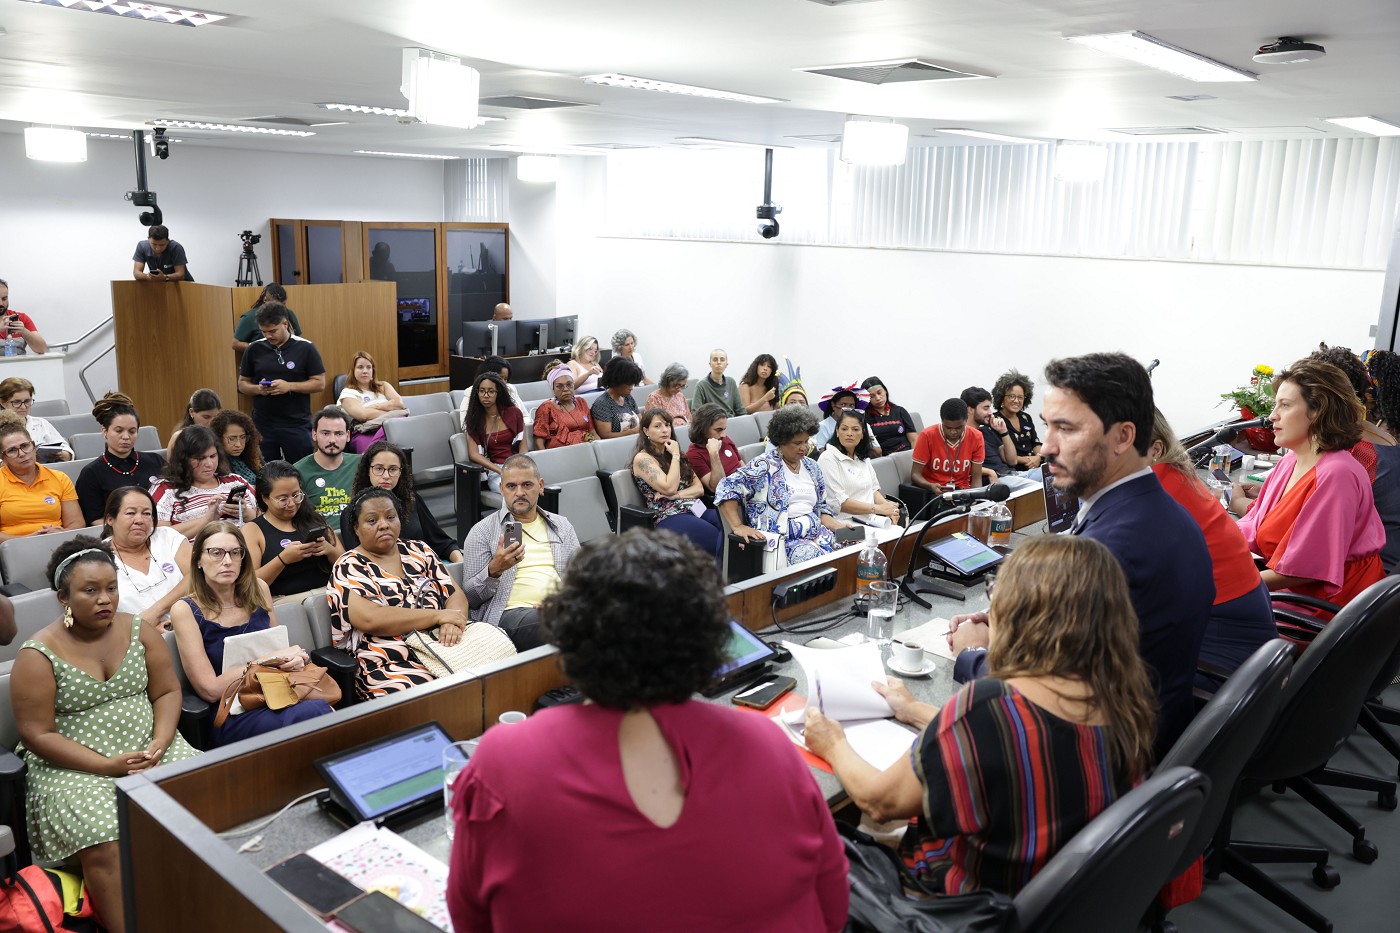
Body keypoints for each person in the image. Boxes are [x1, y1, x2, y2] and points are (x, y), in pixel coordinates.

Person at [447, 530, 848, 933]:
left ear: (569, 635)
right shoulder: (768, 744)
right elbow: (832, 907)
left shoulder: (504, 761)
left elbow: (470, 921)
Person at [805, 535, 1154, 897]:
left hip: (964, 903)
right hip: (1057, 900)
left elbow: (879, 801)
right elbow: (1006, 739)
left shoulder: (989, 705)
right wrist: (912, 709)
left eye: (995, 594)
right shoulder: (1123, 700)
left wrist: (833, 743)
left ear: (1020, 614)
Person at [949, 353, 1213, 758]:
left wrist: (970, 654)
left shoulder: (1109, 550)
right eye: (1047, 426)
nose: (1047, 447)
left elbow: (1044, 695)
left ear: (1123, 437)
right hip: (1159, 732)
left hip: (1110, 756)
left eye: (1066, 429)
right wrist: (1017, 622)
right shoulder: (1161, 511)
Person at [11, 538, 198, 933]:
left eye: (111, 588)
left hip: (152, 747)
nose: (105, 599)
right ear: (63, 597)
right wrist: (106, 766)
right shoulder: (38, 654)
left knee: (207, 795)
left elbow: (167, 692)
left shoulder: (139, 630)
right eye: (90, 590)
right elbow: (37, 734)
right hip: (74, 767)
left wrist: (161, 742)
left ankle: (204, 906)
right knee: (105, 837)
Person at [1233, 358, 1385, 617]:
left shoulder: (1338, 474)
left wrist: (1230, 584)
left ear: (1318, 411)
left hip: (1324, 610)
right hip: (1290, 594)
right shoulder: (1290, 461)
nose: (1272, 416)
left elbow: (1306, 569)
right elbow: (1253, 526)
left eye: (1285, 405)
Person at [170, 522, 333, 746]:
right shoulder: (185, 609)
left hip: (275, 692)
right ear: (198, 559)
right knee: (316, 712)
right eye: (216, 553)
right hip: (231, 708)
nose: (227, 561)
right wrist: (264, 661)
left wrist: (292, 659)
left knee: (323, 709)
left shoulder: (259, 589)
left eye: (235, 553)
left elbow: (279, 650)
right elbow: (209, 690)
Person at [1147, 411, 1275, 682]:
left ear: (1154, 449)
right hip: (1250, 648)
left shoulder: (1154, 495)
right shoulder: (1175, 474)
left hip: (1220, 657)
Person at [329, 488, 472, 700]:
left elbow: (454, 595)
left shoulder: (420, 550)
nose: (383, 525)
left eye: (390, 517)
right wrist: (438, 616)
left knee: (490, 672)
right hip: (390, 660)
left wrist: (453, 622)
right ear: (356, 528)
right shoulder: (348, 566)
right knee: (432, 696)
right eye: (372, 520)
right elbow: (371, 618)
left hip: (442, 646)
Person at [462, 454, 580, 651]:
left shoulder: (561, 525)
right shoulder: (483, 531)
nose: (519, 492)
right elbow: (470, 598)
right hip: (509, 614)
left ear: (540, 486)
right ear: (501, 489)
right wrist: (494, 570)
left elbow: (581, 578)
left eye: (527, 485)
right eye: (511, 486)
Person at [717, 406, 854, 564]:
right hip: (784, 542)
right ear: (781, 441)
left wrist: (837, 526)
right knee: (821, 561)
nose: (804, 447)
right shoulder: (764, 466)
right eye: (797, 443)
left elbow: (821, 509)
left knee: (856, 550)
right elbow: (726, 487)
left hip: (817, 533)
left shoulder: (812, 467)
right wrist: (738, 526)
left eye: (806, 441)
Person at [340, 441, 462, 563]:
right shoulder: (351, 513)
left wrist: (460, 563)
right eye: (379, 469)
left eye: (393, 469)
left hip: (421, 568)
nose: (386, 475)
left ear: (400, 472)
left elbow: (442, 544)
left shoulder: (412, 500)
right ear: (368, 470)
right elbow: (357, 560)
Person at [237, 301, 326, 463]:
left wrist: (289, 386)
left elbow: (319, 383)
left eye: (273, 331)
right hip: (263, 424)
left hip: (296, 424)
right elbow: (242, 383)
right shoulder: (253, 349)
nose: (268, 336)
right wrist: (258, 389)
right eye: (264, 332)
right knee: (265, 471)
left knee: (300, 469)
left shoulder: (306, 348)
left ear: (285, 324)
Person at [243, 460, 343, 604]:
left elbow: (347, 563)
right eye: (282, 499)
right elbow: (250, 583)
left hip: (329, 592)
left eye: (296, 495)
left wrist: (329, 550)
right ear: (265, 498)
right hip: (286, 602)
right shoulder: (253, 530)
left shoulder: (314, 519)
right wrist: (283, 559)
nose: (291, 503)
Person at [631, 409, 722, 561]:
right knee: (714, 538)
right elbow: (669, 487)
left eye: (667, 425)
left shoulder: (677, 455)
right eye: (658, 426)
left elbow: (699, 489)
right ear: (646, 431)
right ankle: (721, 573)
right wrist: (675, 455)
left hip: (694, 507)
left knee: (730, 526)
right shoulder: (642, 459)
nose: (665, 430)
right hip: (669, 515)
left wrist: (677, 495)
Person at [101, 487, 191, 624]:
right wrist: (143, 628)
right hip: (132, 633)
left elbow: (196, 576)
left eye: (146, 513)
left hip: (192, 621)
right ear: (110, 519)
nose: (139, 520)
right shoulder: (98, 558)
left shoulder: (167, 537)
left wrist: (154, 613)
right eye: (130, 513)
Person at [76, 392, 167, 524]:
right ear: (105, 431)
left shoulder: (155, 461)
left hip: (164, 526)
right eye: (119, 431)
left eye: (132, 431)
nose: (126, 437)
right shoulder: (91, 473)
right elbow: (95, 520)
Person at [149, 425, 257, 537]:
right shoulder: (165, 489)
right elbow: (159, 536)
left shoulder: (236, 481)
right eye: (201, 458)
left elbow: (266, 518)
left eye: (213, 456)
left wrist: (247, 513)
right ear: (183, 459)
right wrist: (207, 520)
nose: (209, 464)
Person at [0, 412, 82, 541]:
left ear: (34, 446)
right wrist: (26, 540)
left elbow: (76, 523)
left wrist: (62, 533)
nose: (22, 454)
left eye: (25, 446)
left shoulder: (60, 478)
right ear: (3, 457)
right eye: (12, 450)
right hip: (13, 548)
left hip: (59, 542)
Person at [817, 410, 901, 526]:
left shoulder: (863, 457)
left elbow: (873, 490)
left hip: (871, 519)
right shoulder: (827, 458)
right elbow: (839, 503)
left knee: (902, 533)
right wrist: (878, 509)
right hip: (844, 523)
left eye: (855, 429)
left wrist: (889, 509)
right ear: (837, 431)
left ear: (862, 433)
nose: (849, 433)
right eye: (844, 429)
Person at [294, 406, 360, 519]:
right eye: (325, 433)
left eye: (339, 434)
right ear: (314, 434)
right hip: (319, 530)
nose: (332, 440)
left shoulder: (361, 464)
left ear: (348, 436)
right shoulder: (297, 471)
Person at [464, 373, 525, 493]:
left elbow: (523, 448)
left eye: (491, 391)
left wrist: (518, 467)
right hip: (494, 470)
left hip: (517, 465)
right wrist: (501, 471)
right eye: (482, 391)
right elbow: (474, 454)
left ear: (498, 393)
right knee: (513, 492)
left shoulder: (514, 413)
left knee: (533, 490)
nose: (486, 395)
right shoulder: (474, 419)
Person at [337, 350, 406, 453]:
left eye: (368, 367)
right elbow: (362, 416)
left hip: (391, 429)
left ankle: (368, 453)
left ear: (373, 371)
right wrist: (390, 410)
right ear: (353, 371)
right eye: (360, 367)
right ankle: (368, 454)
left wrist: (372, 407)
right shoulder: (347, 393)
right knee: (397, 418)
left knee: (399, 420)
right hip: (365, 431)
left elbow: (399, 404)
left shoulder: (383, 386)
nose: (365, 371)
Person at [911, 398, 985, 494]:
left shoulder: (976, 437)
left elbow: (976, 478)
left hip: (962, 490)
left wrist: (975, 496)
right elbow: (915, 474)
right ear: (942, 421)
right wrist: (930, 485)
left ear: (966, 419)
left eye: (958, 427)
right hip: (934, 490)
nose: (953, 432)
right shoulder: (927, 435)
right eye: (948, 427)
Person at [0, 377, 72, 461]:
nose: (23, 407)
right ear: (2, 402)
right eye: (17, 402)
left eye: (27, 401)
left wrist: (62, 454)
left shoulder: (41, 423)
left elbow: (67, 451)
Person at [686, 402, 745, 494]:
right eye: (718, 430)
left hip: (745, 486)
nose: (723, 435)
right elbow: (718, 487)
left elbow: (742, 465)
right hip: (729, 494)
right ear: (703, 429)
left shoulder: (723, 438)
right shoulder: (693, 454)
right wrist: (714, 454)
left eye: (724, 429)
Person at [531, 364, 594, 449]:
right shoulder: (546, 408)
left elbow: (593, 432)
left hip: (587, 449)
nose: (565, 389)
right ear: (553, 388)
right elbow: (538, 441)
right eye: (559, 386)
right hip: (559, 453)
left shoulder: (581, 402)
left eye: (569, 384)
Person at [961, 386, 1017, 480]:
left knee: (1043, 471)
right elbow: (962, 466)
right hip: (999, 479)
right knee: (1040, 482)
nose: (990, 413)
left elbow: (1012, 461)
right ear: (970, 410)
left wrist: (1004, 432)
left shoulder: (987, 431)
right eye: (985, 408)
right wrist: (989, 472)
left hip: (1013, 474)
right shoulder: (962, 436)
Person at [231, 283, 303, 354]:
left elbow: (299, 338)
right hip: (262, 357)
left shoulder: (288, 313)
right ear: (265, 300)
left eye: (283, 305)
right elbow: (235, 343)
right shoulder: (250, 317)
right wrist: (259, 348)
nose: (278, 309)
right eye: (274, 305)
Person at [992, 369, 1042, 470]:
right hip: (1012, 470)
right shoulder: (994, 421)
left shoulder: (1026, 418)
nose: (1016, 401)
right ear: (1001, 398)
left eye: (1020, 397)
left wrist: (1039, 457)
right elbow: (1000, 453)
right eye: (1012, 396)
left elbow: (1035, 443)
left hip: (1035, 466)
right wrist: (1029, 460)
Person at [813, 386, 880, 455]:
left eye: (851, 405)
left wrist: (866, 439)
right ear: (833, 405)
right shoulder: (822, 426)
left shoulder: (863, 425)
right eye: (843, 405)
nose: (847, 409)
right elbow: (820, 453)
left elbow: (878, 452)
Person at [590, 356, 644, 439]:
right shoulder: (602, 404)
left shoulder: (628, 398)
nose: (631, 388)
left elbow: (641, 422)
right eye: (628, 384)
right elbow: (605, 435)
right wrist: (631, 432)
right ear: (616, 381)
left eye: (633, 384)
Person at [861, 376, 917, 455]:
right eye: (872, 396)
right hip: (884, 459)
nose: (878, 398)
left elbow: (914, 439)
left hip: (906, 454)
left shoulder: (900, 411)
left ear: (885, 391)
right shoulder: (864, 417)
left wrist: (914, 458)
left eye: (879, 393)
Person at [457, 356, 528, 418]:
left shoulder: (510, 389)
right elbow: (466, 425)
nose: (503, 382)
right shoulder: (471, 393)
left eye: (505, 379)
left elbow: (525, 416)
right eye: (500, 378)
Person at [164, 387, 222, 459]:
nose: (212, 422)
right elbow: (173, 465)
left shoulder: (221, 433)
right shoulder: (179, 437)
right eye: (206, 417)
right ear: (191, 412)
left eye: (216, 417)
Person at [210, 408, 261, 487]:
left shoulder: (251, 454)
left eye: (243, 437)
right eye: (232, 439)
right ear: (218, 438)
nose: (238, 444)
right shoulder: (215, 463)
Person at [691, 348, 746, 417]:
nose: (719, 362)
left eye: (722, 360)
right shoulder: (701, 385)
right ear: (710, 364)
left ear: (726, 364)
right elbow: (696, 414)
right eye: (715, 360)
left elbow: (740, 410)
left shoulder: (731, 382)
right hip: (713, 421)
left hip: (731, 420)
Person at [0, 279, 49, 354]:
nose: (1, 303)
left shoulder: (22, 318)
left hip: (19, 361)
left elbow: (42, 349)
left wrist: (24, 331)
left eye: (4, 299)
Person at [644, 363, 692, 427]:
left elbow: (689, 419)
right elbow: (654, 425)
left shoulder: (680, 396)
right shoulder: (654, 398)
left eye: (682, 386)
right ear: (667, 381)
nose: (679, 390)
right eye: (677, 385)